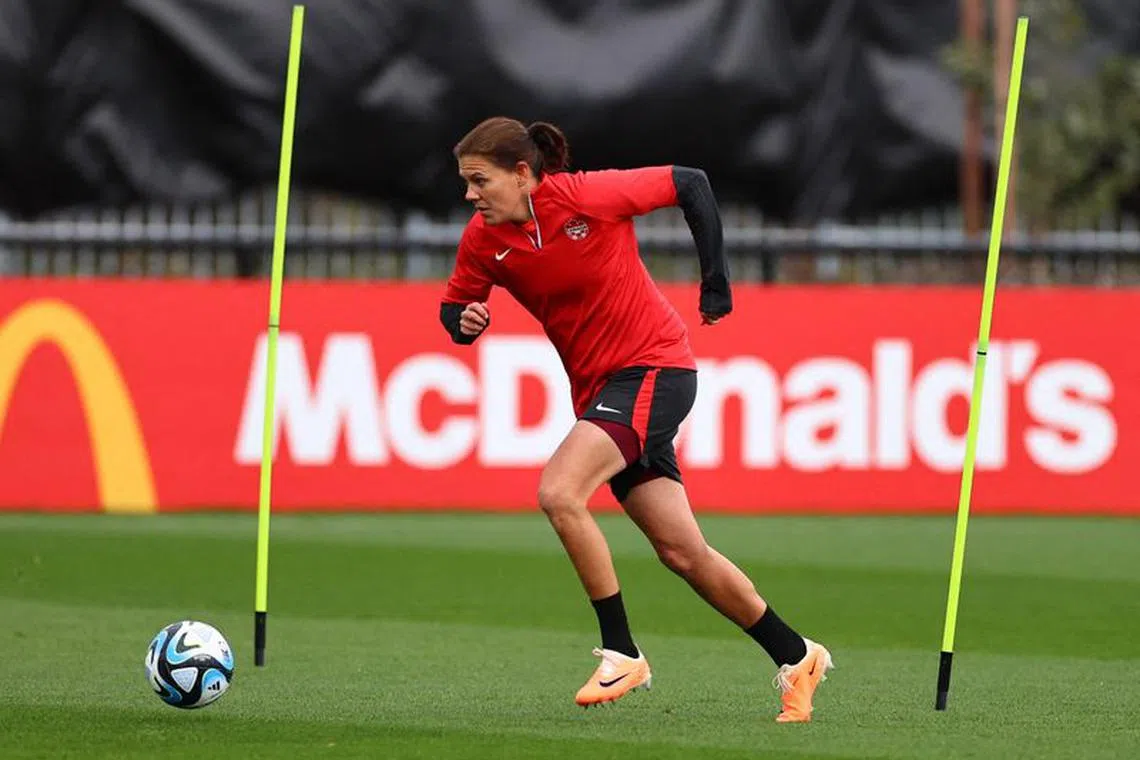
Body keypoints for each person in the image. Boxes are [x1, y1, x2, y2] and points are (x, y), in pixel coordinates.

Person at [438, 116, 833, 722]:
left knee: (559, 492)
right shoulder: (483, 238)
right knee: (683, 552)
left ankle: (621, 650)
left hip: (655, 369)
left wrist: (716, 281)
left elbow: (691, 183)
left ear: (523, 174)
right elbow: (454, 304)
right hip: (602, 391)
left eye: (478, 180)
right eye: (466, 183)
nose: (470, 194)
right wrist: (463, 323)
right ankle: (797, 654)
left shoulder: (587, 196)